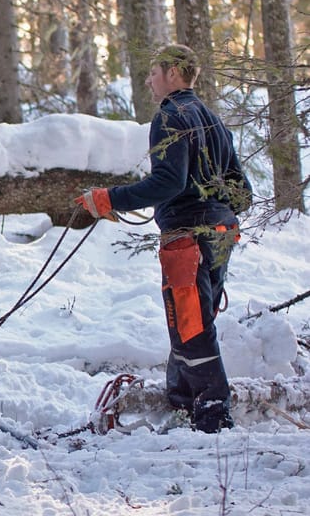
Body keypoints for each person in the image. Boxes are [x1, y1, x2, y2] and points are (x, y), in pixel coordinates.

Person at [76, 44, 252, 433]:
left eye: (153, 72)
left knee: (190, 329)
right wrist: (219, 219)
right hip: (221, 234)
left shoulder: (171, 115)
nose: (148, 80)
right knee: (195, 323)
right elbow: (244, 192)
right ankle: (183, 402)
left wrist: (110, 198)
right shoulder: (214, 121)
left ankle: (213, 418)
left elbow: (168, 182)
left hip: (187, 240)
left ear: (173, 73)